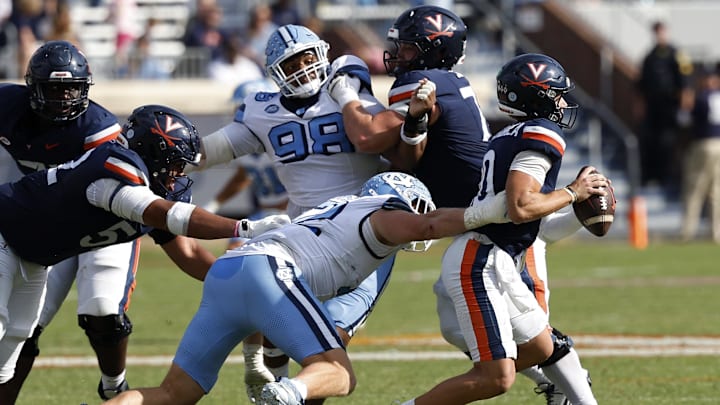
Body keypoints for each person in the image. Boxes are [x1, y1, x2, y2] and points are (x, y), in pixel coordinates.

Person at [329, 6, 598, 403]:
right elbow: (407, 158)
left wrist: (348, 92)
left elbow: (368, 137)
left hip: (490, 233)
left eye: (407, 47)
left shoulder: (431, 82)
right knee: (493, 346)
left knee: (529, 347)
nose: (398, 55)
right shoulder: (451, 90)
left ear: (432, 51)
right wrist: (415, 124)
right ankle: (561, 385)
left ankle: (565, 388)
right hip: (483, 233)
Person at [104, 171, 511, 405]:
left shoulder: (338, 208)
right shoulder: (383, 213)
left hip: (230, 271)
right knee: (339, 374)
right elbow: (428, 225)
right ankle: (282, 394)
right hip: (269, 272)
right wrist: (491, 211)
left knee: (173, 393)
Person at [0, 104, 290, 402]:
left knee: (13, 342)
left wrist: (240, 286)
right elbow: (165, 215)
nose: (178, 174)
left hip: (33, 256)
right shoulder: (113, 168)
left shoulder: (152, 185)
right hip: (4, 232)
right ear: (152, 153)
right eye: (175, 163)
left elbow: (188, 251)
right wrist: (244, 228)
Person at [186, 24, 401, 401]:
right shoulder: (261, 110)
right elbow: (210, 152)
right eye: (292, 63)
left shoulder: (346, 89)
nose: (303, 68)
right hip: (303, 236)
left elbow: (380, 133)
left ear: (322, 54)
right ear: (275, 72)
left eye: (307, 58)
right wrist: (169, 153)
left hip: (363, 233)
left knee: (330, 341)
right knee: (294, 331)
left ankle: (281, 379)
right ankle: (274, 371)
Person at [396, 53, 609, 405]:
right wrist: (574, 193)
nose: (562, 101)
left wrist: (572, 208)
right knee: (495, 379)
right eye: (555, 93)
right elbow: (521, 206)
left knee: (546, 345)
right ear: (537, 95)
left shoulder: (507, 134)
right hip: (481, 262)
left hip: (492, 256)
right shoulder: (542, 132)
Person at [0, 39, 136, 402]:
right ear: (33, 87)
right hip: (47, 227)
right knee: (24, 327)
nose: (62, 97)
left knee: (102, 309)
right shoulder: (7, 105)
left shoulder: (99, 129)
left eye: (71, 89)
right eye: (54, 88)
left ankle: (113, 387)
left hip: (100, 224)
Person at [636, 20, 694, 194]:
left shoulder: (677, 54)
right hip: (654, 107)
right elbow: (641, 85)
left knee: (667, 142)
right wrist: (640, 107)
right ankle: (649, 177)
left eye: (662, 32)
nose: (659, 36)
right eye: (657, 32)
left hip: (670, 107)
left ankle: (665, 178)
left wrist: (684, 109)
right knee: (649, 141)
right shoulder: (650, 56)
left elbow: (686, 84)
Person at [681, 67, 720, 243]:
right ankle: (715, 233)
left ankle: (688, 231)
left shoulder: (702, 98)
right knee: (715, 191)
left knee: (694, 190)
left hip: (704, 144)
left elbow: (684, 120)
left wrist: (686, 105)